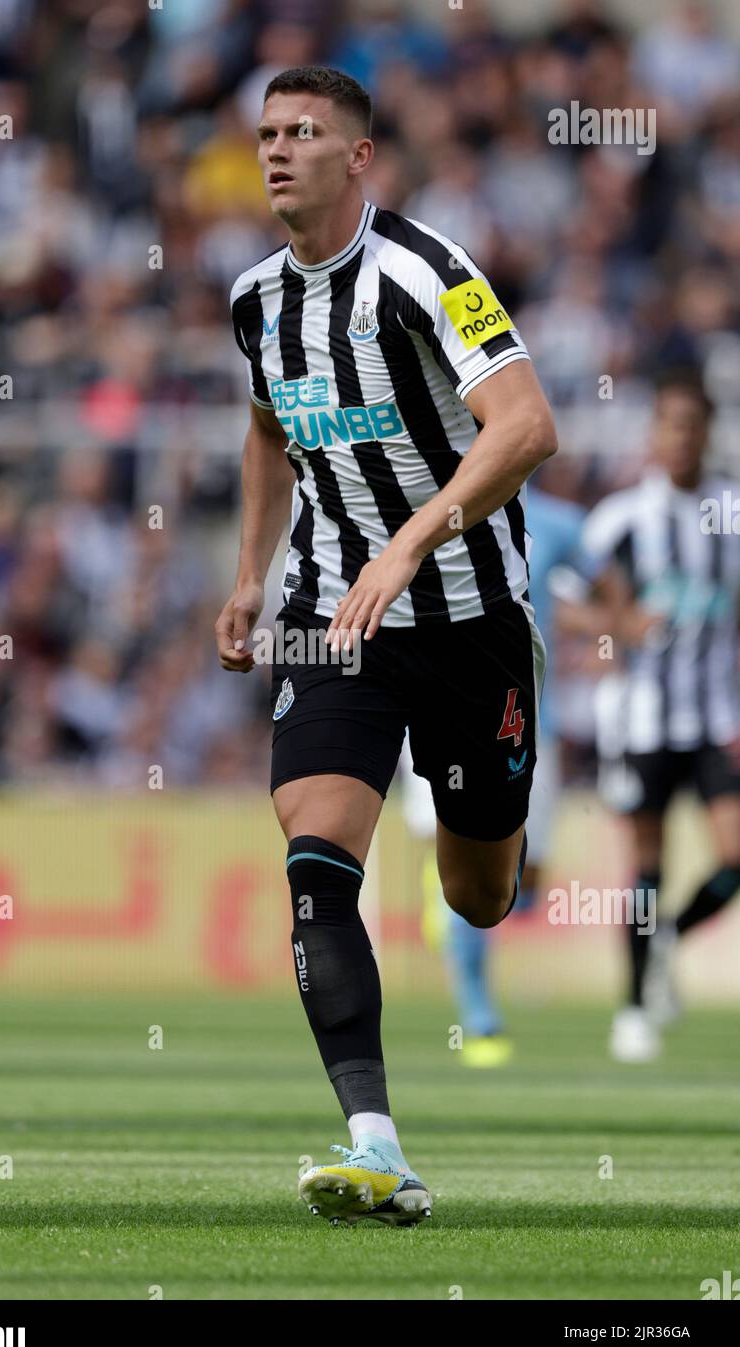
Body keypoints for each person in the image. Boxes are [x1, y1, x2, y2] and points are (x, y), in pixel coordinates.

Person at [214, 66, 557, 1226]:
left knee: (478, 896)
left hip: (466, 618)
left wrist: (411, 538)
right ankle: (374, 1143)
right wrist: (249, 575)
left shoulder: (426, 271)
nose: (275, 150)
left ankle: (498, 815)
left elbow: (525, 423)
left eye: (302, 132)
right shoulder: (254, 300)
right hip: (330, 617)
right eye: (265, 132)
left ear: (356, 157)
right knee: (315, 855)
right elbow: (266, 430)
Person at [579, 372, 740, 1063]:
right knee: (646, 862)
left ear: (708, 433)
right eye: (670, 424)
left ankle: (670, 935)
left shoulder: (731, 512)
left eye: (693, 424)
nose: (681, 437)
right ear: (654, 433)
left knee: (735, 856)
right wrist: (618, 624)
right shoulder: (621, 518)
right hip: (642, 719)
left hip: (715, 716)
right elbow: (571, 603)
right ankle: (635, 1007)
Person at [400, 477, 585, 1068]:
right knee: (467, 864)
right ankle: (479, 1016)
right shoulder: (427, 500)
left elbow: (597, 589)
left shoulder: (557, 523)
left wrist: (615, 628)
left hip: (529, 713)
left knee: (520, 883)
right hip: (436, 700)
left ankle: (449, 899)